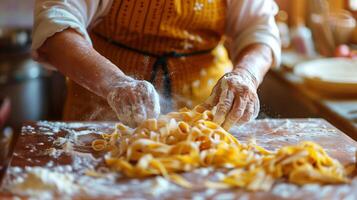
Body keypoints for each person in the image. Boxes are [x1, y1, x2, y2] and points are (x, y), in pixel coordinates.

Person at [32, 0, 281, 129]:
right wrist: (115, 84)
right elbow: (56, 29)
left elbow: (258, 30)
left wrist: (246, 75)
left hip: (209, 115)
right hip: (103, 107)